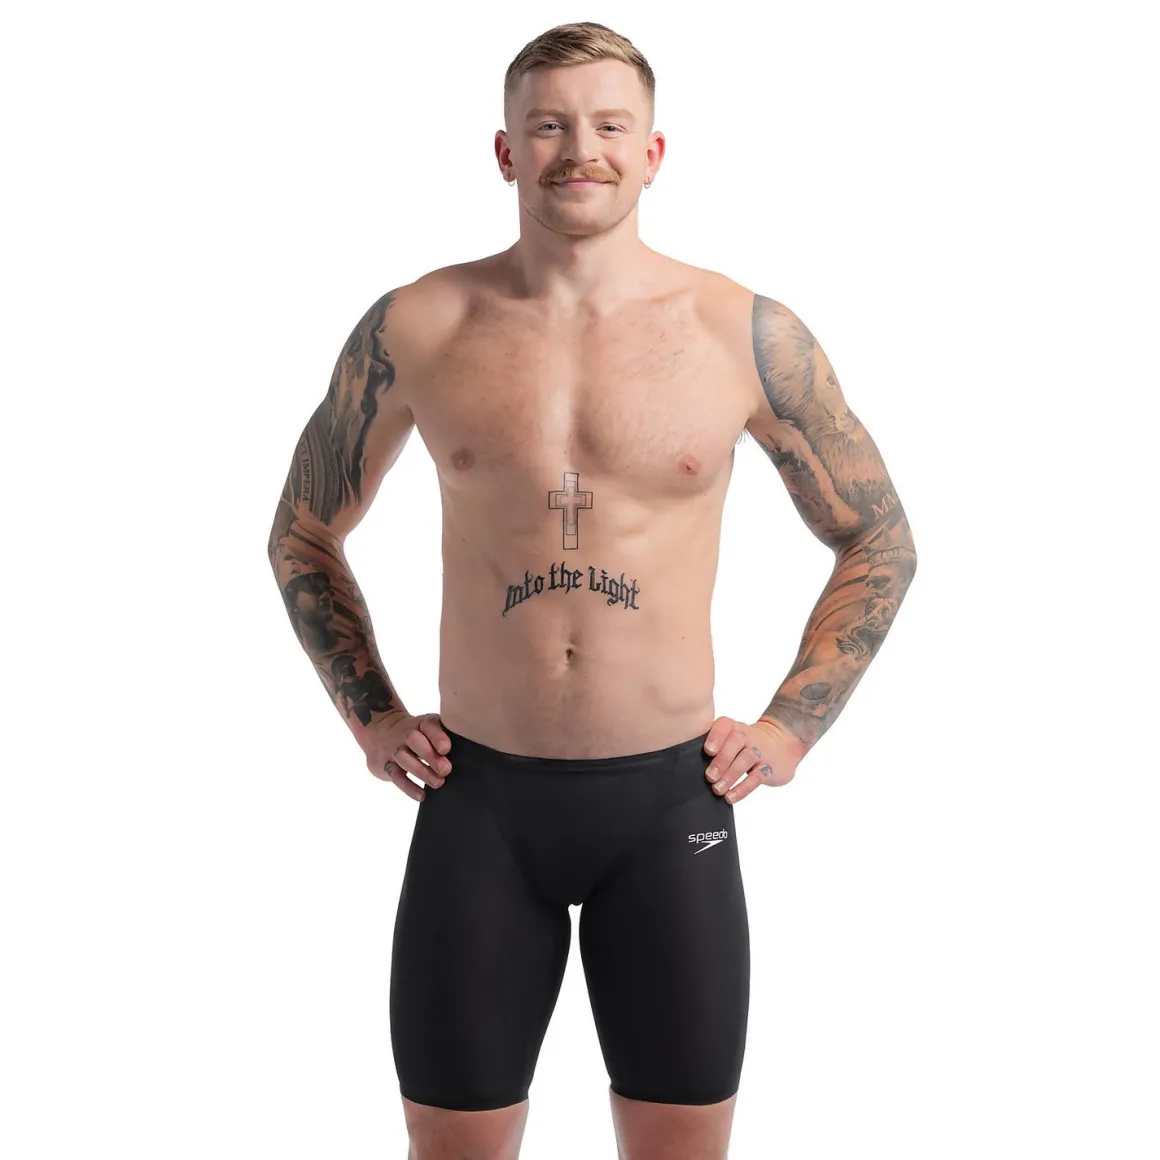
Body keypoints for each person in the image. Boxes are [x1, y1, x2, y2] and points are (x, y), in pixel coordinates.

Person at [266, 20, 918, 1160]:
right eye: (549, 126)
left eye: (610, 125)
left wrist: (789, 726)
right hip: (477, 800)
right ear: (504, 151)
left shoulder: (743, 334)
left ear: (652, 152)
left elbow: (877, 537)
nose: (582, 149)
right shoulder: (419, 324)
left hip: (671, 806)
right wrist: (370, 713)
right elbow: (303, 530)